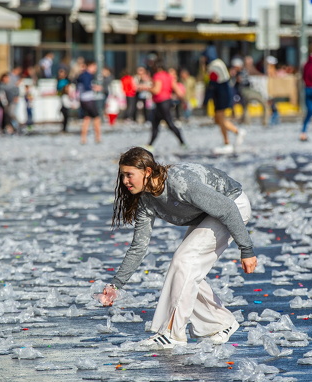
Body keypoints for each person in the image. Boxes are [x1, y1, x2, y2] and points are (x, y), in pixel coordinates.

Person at [98, 147, 257, 349]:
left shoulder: (180, 183)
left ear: (147, 171)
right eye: (122, 176)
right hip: (210, 214)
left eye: (129, 175)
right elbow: (139, 246)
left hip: (234, 205)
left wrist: (247, 250)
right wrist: (116, 285)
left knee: (184, 261)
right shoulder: (147, 201)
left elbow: (228, 209)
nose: (125, 181)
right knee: (184, 269)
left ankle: (172, 333)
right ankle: (220, 323)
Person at [203, 58, 246, 154]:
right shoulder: (218, 63)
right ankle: (237, 132)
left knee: (221, 120)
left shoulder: (213, 67)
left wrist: (205, 101)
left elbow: (212, 86)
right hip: (223, 96)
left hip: (220, 97)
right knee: (218, 120)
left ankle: (228, 142)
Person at [142, 59, 186, 150]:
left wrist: (146, 88)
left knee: (168, 123)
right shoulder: (169, 76)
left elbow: (156, 90)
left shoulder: (157, 76)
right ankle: (150, 145)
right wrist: (184, 100)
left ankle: (183, 142)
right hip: (167, 102)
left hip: (161, 103)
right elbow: (178, 91)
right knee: (156, 123)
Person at [76, 60, 102, 144]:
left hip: (83, 99)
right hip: (89, 99)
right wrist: (96, 87)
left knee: (86, 118)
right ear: (90, 66)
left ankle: (83, 138)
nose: (95, 68)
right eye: (94, 66)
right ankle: (98, 137)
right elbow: (87, 87)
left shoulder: (81, 75)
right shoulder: (87, 75)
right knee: (97, 118)